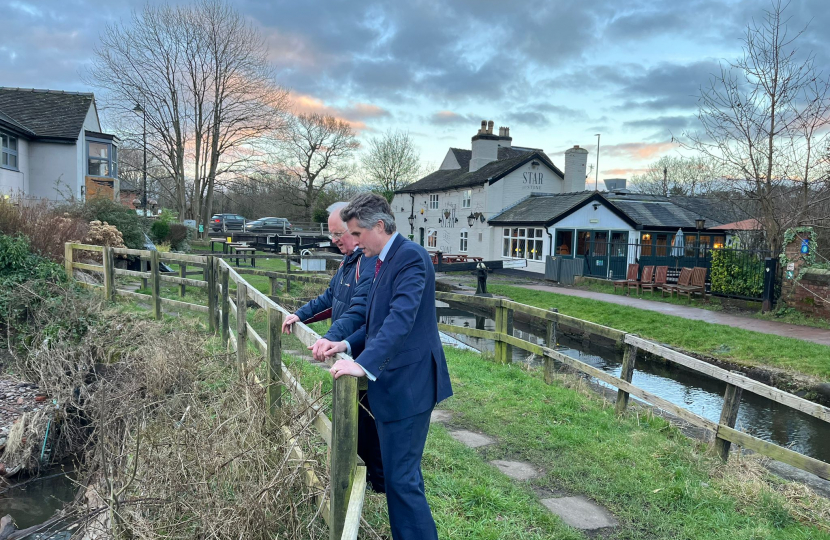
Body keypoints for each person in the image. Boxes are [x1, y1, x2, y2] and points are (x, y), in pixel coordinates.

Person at [315, 193, 453, 540]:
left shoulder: (411, 258)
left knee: (402, 480)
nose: (353, 242)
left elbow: (400, 320)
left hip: (410, 385)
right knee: (398, 477)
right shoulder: (380, 260)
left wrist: (362, 365)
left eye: (358, 234)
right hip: (395, 384)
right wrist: (345, 344)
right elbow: (375, 322)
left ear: (379, 226)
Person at [281, 203, 385, 493]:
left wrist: (332, 338)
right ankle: (358, 478)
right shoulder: (347, 263)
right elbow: (331, 298)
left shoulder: (366, 265)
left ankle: (376, 484)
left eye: (340, 233)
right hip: (346, 352)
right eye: (332, 234)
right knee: (353, 419)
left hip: (361, 353)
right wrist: (300, 314)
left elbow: (359, 310)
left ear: (356, 228)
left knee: (367, 423)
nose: (335, 240)